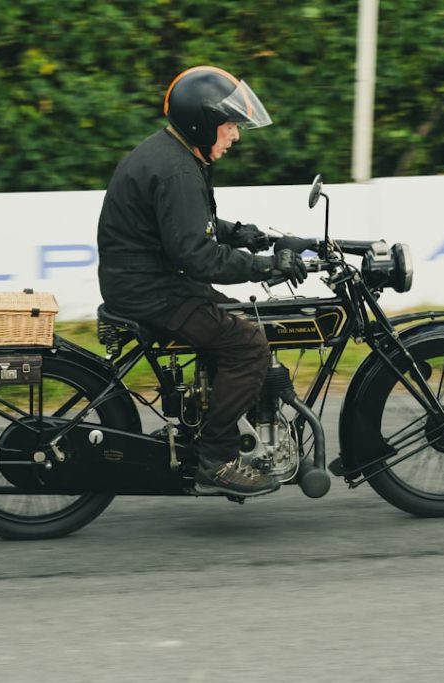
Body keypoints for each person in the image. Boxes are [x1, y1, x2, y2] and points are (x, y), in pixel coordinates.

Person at [96, 65, 306, 497]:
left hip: (147, 281)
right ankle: (218, 456)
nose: (236, 136)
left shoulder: (172, 153)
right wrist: (267, 266)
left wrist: (240, 232)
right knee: (248, 346)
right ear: (204, 123)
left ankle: (206, 420)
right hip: (151, 291)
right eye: (230, 126)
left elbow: (187, 226)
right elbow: (198, 257)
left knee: (229, 320)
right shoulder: (177, 170)